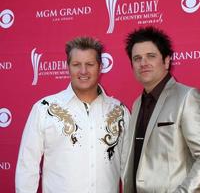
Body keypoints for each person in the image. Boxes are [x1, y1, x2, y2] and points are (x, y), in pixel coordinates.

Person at [15, 37, 130, 193]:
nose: (83, 71)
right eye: (76, 65)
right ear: (67, 66)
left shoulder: (119, 111)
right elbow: (27, 165)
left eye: (90, 64)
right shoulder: (44, 108)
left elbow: (128, 166)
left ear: (100, 67)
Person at [122, 26, 200, 193]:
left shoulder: (188, 97)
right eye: (137, 58)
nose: (143, 63)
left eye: (151, 56)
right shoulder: (136, 104)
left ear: (167, 60)